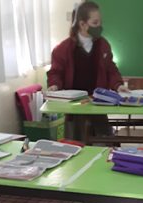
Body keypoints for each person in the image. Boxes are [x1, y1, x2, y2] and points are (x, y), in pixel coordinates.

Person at [47, 1, 126, 139]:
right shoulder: (63, 49)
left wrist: (118, 85)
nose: (99, 26)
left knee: (104, 140)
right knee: (76, 142)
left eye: (100, 22)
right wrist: (54, 85)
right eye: (95, 23)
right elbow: (56, 72)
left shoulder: (103, 45)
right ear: (82, 24)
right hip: (74, 106)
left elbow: (111, 69)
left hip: (98, 103)